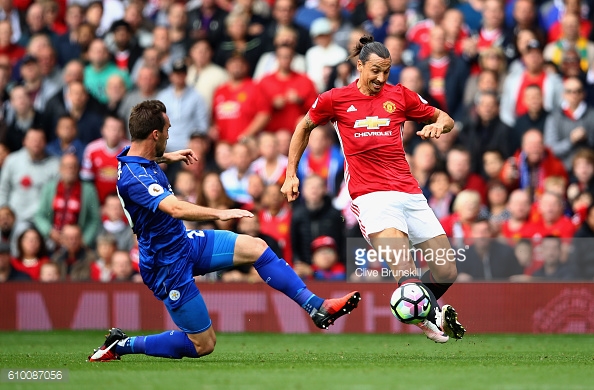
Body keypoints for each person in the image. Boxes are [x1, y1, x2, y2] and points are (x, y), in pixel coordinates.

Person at [87, 100, 360, 362]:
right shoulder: (137, 179)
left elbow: (146, 157)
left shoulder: (135, 159)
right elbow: (176, 209)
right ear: (155, 134)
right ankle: (122, 344)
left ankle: (316, 307)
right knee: (203, 344)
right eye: (167, 131)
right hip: (164, 264)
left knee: (257, 247)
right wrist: (220, 213)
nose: (170, 136)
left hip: (184, 243)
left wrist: (168, 157)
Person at [281, 35, 465, 343]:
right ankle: (424, 313)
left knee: (447, 270)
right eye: (375, 71)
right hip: (371, 197)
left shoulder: (401, 96)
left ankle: (418, 305)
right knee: (405, 267)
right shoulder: (335, 99)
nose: (381, 78)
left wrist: (438, 126)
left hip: (410, 192)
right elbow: (304, 127)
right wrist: (290, 174)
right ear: (360, 66)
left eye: (387, 71)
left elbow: (446, 118)